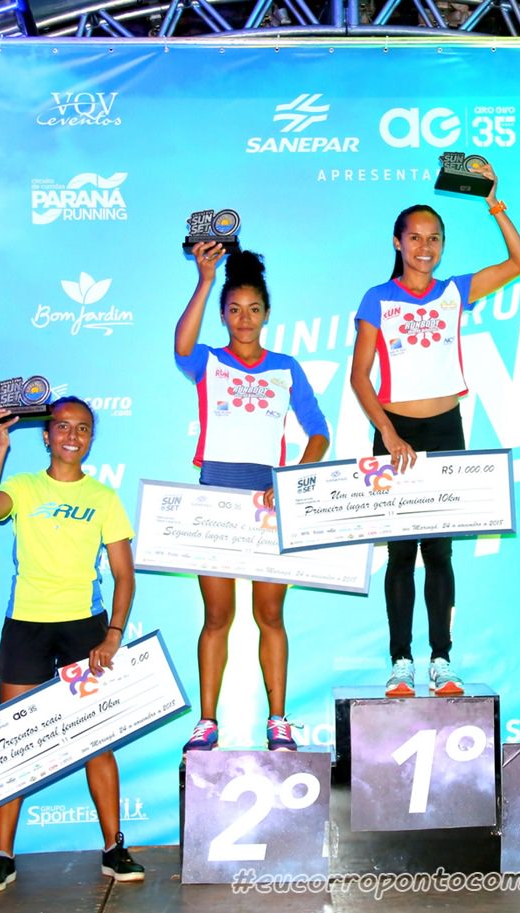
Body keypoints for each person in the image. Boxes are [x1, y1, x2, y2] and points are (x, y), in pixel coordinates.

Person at [350, 163, 520, 698]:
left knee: (440, 553)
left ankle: (442, 660)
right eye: (415, 237)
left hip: (447, 430)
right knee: (400, 554)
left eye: (434, 238)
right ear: (398, 242)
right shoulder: (377, 297)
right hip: (395, 432)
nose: (425, 247)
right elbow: (360, 376)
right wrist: (388, 433)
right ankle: (400, 662)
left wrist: (494, 203)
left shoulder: (455, 291)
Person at [0, 396, 142, 893]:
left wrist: (113, 634)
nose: (72, 435)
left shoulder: (104, 497)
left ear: (91, 439)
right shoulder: (24, 487)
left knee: (97, 740)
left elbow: (125, 576)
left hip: (86, 628)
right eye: (63, 427)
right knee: (13, 741)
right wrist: (0, 447)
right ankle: (3, 855)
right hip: (26, 624)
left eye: (83, 428)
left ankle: (113, 848)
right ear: (46, 436)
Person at [174, 245, 329, 753]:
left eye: (254, 309)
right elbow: (180, 346)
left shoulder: (285, 367)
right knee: (217, 618)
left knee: (270, 616)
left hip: (268, 504)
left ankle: (278, 722)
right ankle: (207, 723)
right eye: (234, 310)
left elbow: (319, 432)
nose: (244, 319)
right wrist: (205, 278)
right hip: (215, 499)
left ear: (267, 315)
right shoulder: (208, 362)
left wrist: (289, 482)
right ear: (222, 315)